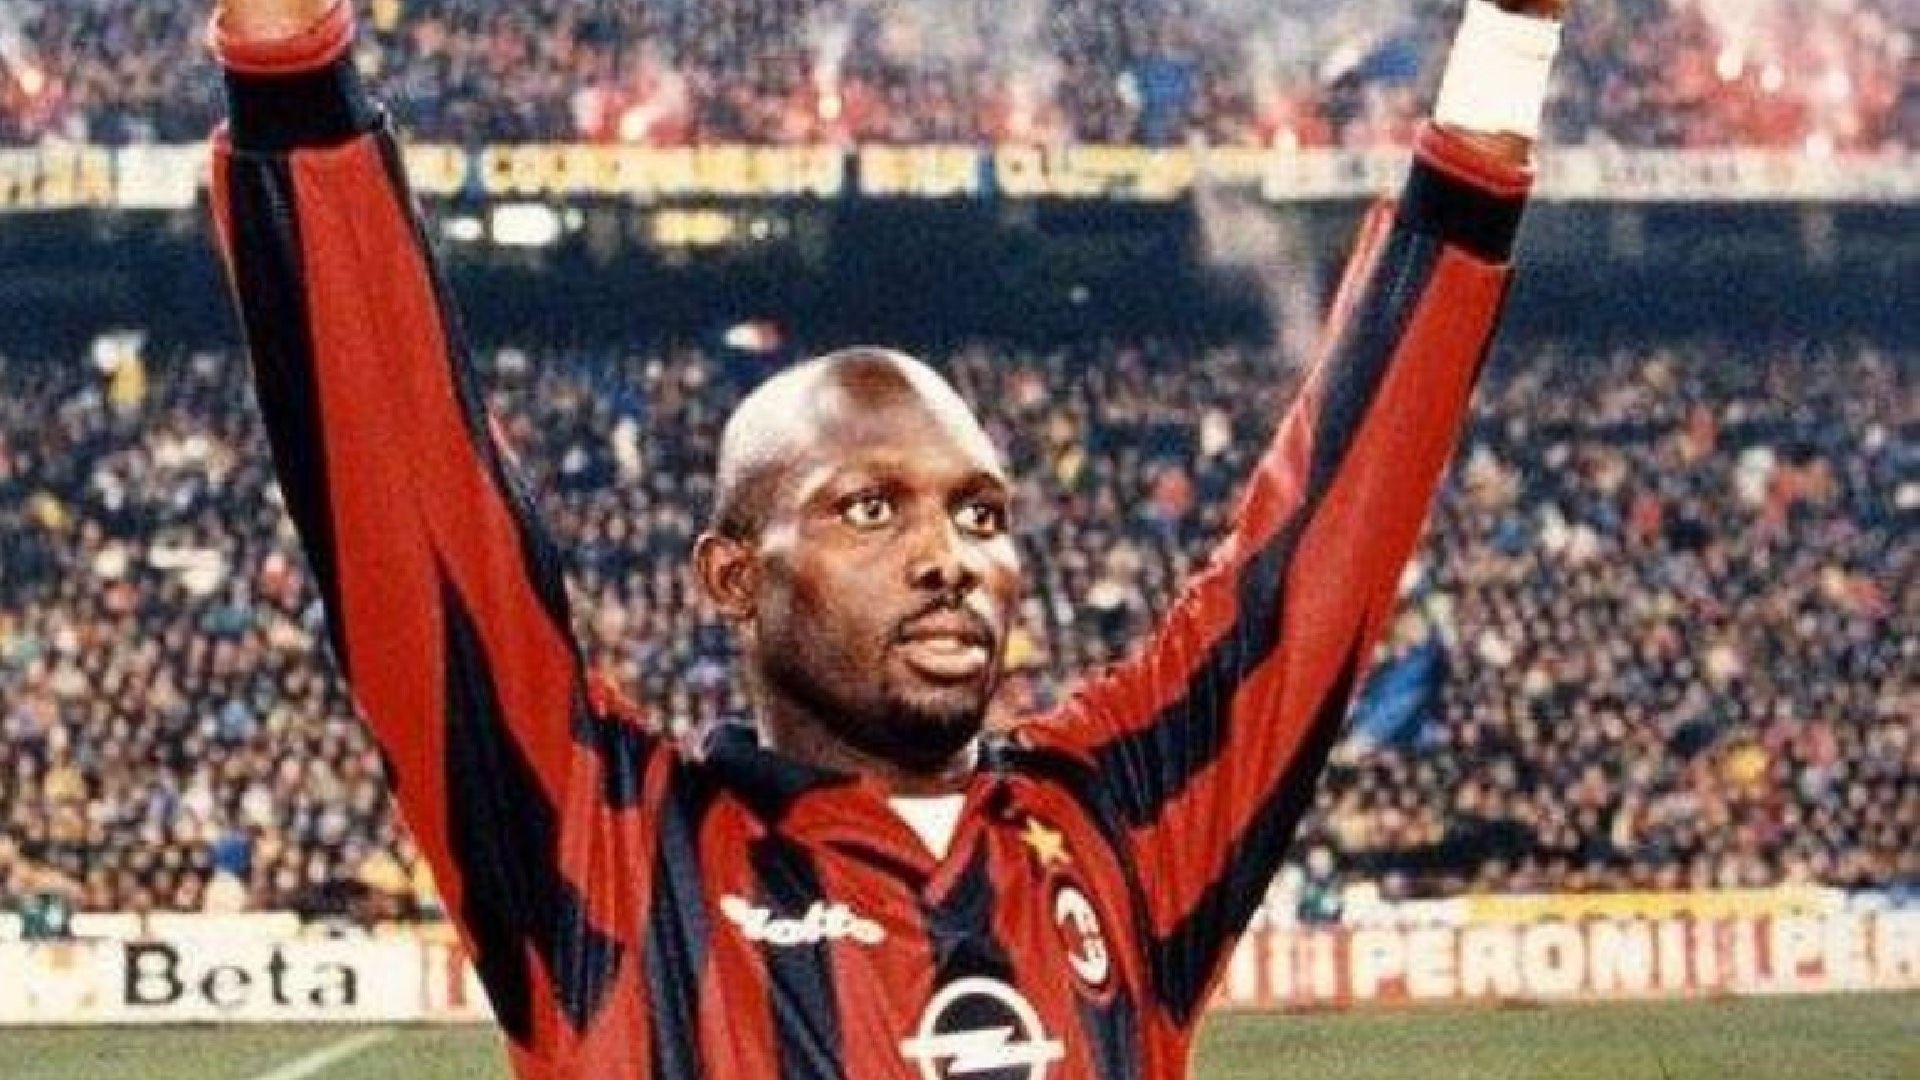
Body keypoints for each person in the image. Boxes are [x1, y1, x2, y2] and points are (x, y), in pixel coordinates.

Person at [207, 0, 1568, 1075]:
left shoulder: (1114, 837)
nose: (949, 556)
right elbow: (403, 483)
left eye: (981, 513)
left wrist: (1512, 34)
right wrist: (290, 66)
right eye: (870, 507)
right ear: (732, 576)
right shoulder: (611, 855)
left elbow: (1329, 546)